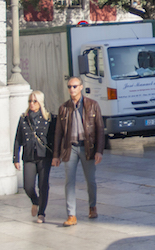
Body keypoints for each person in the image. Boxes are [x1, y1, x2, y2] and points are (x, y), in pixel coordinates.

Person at [52, 77, 105, 227]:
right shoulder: (64, 108)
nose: (72, 89)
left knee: (91, 181)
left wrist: (99, 151)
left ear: (81, 87)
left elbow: (100, 130)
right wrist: (56, 155)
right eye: (69, 87)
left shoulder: (93, 105)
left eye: (74, 86)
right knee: (69, 182)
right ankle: (71, 215)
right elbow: (58, 133)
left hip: (87, 147)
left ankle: (92, 206)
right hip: (70, 147)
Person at [13, 90, 55, 224]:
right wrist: (16, 158)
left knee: (43, 185)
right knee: (28, 186)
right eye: (30, 101)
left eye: (35, 101)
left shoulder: (48, 118)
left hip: (44, 156)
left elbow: (53, 138)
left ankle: (42, 213)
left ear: (40, 102)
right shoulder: (24, 118)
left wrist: (56, 156)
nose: (32, 104)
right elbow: (18, 139)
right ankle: (35, 201)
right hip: (29, 156)